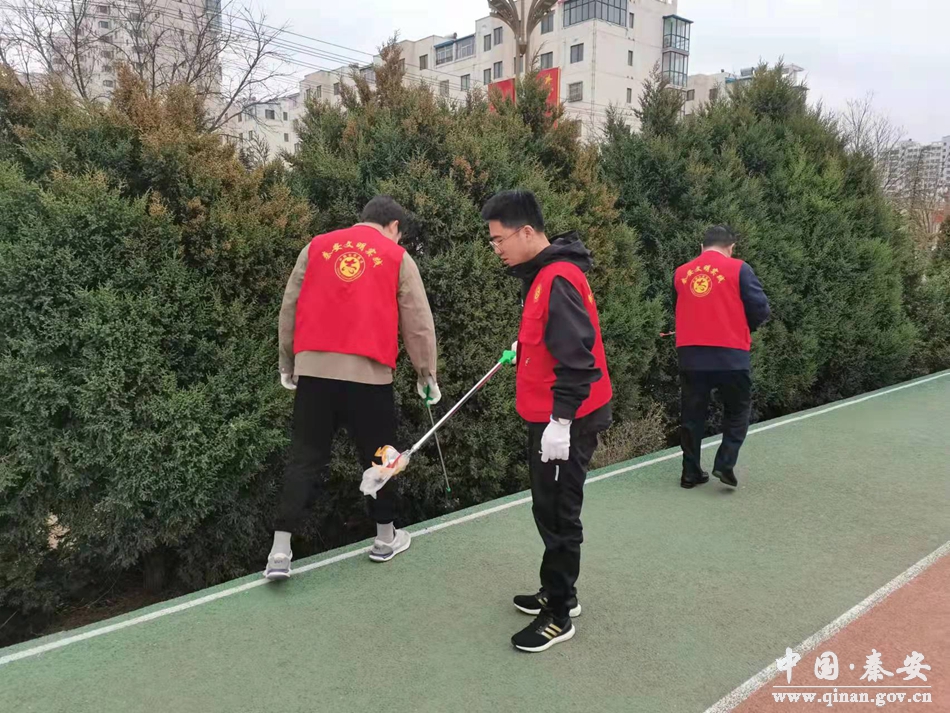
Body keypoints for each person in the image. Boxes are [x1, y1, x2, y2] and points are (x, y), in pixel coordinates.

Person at [264, 196, 440, 580]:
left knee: (304, 458)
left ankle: (279, 551)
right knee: (380, 457)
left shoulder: (315, 248)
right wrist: (426, 373)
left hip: (315, 372)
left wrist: (288, 363)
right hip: (369, 375)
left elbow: (289, 307)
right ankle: (385, 538)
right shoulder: (396, 257)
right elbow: (418, 322)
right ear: (394, 226)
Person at [481, 189, 612, 653]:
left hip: (567, 418)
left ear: (526, 232)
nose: (495, 249)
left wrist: (561, 422)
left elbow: (578, 358)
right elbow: (557, 335)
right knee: (547, 507)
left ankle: (559, 613)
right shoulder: (543, 273)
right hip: (552, 414)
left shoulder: (557, 277)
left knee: (558, 512)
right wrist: (528, 344)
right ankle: (558, 591)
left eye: (499, 239)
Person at [673, 225, 771, 490]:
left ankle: (690, 473)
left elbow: (680, 308)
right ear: (731, 247)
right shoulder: (739, 269)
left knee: (692, 416)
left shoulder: (681, 273)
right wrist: (743, 326)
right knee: (737, 410)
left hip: (691, 355)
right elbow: (761, 309)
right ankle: (725, 462)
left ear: (701, 247)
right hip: (730, 354)